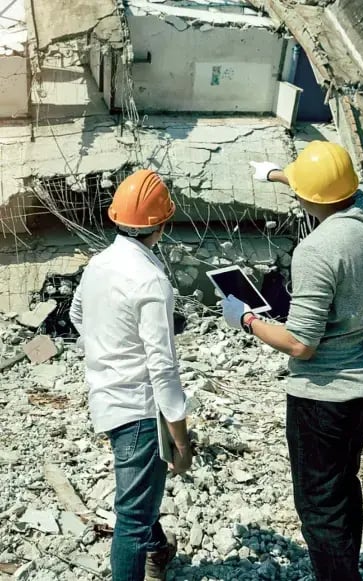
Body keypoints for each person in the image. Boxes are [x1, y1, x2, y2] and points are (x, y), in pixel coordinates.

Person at [222, 141, 363, 581]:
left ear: (309, 198)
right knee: (342, 483)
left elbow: (301, 344)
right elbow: (329, 188)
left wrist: (245, 319)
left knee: (320, 505)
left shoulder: (317, 250)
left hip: (325, 399)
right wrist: (279, 174)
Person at [70, 169, 192, 581]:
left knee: (137, 492)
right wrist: (180, 437)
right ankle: (146, 553)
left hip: (104, 398)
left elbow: (76, 315)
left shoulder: (98, 264)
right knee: (131, 520)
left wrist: (104, 355)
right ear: (161, 224)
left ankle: (160, 551)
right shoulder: (152, 280)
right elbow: (162, 365)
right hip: (138, 411)